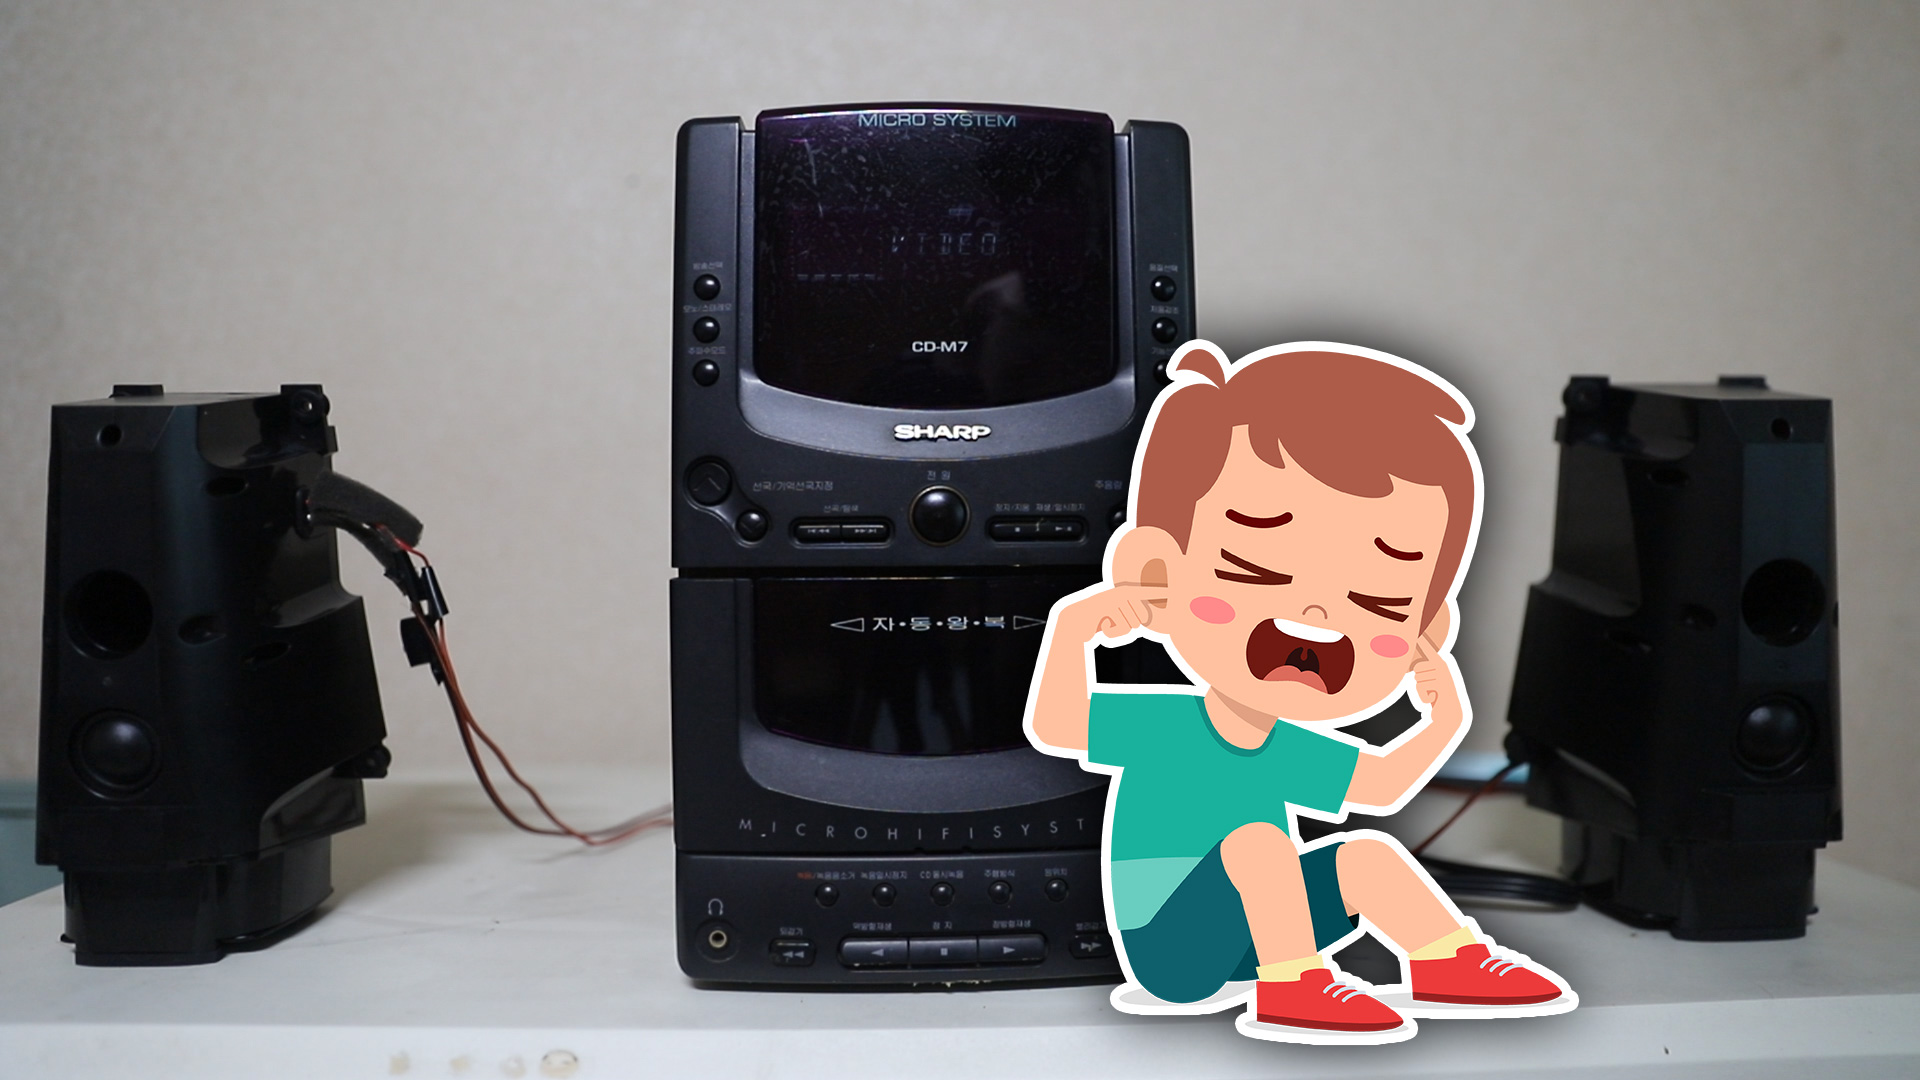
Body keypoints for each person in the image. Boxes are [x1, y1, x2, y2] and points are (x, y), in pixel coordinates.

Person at [1024, 340, 1574, 1043]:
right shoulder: (1166, 728)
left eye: (1376, 600)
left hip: (1255, 934)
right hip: (1171, 948)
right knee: (1257, 843)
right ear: (1158, 576)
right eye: (1255, 571)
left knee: (1367, 854)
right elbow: (1061, 723)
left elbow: (1379, 786)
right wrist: (1074, 631)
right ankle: (1294, 983)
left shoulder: (1288, 747)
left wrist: (1441, 719)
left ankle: (1446, 959)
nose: (1314, 616)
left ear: (1423, 628)